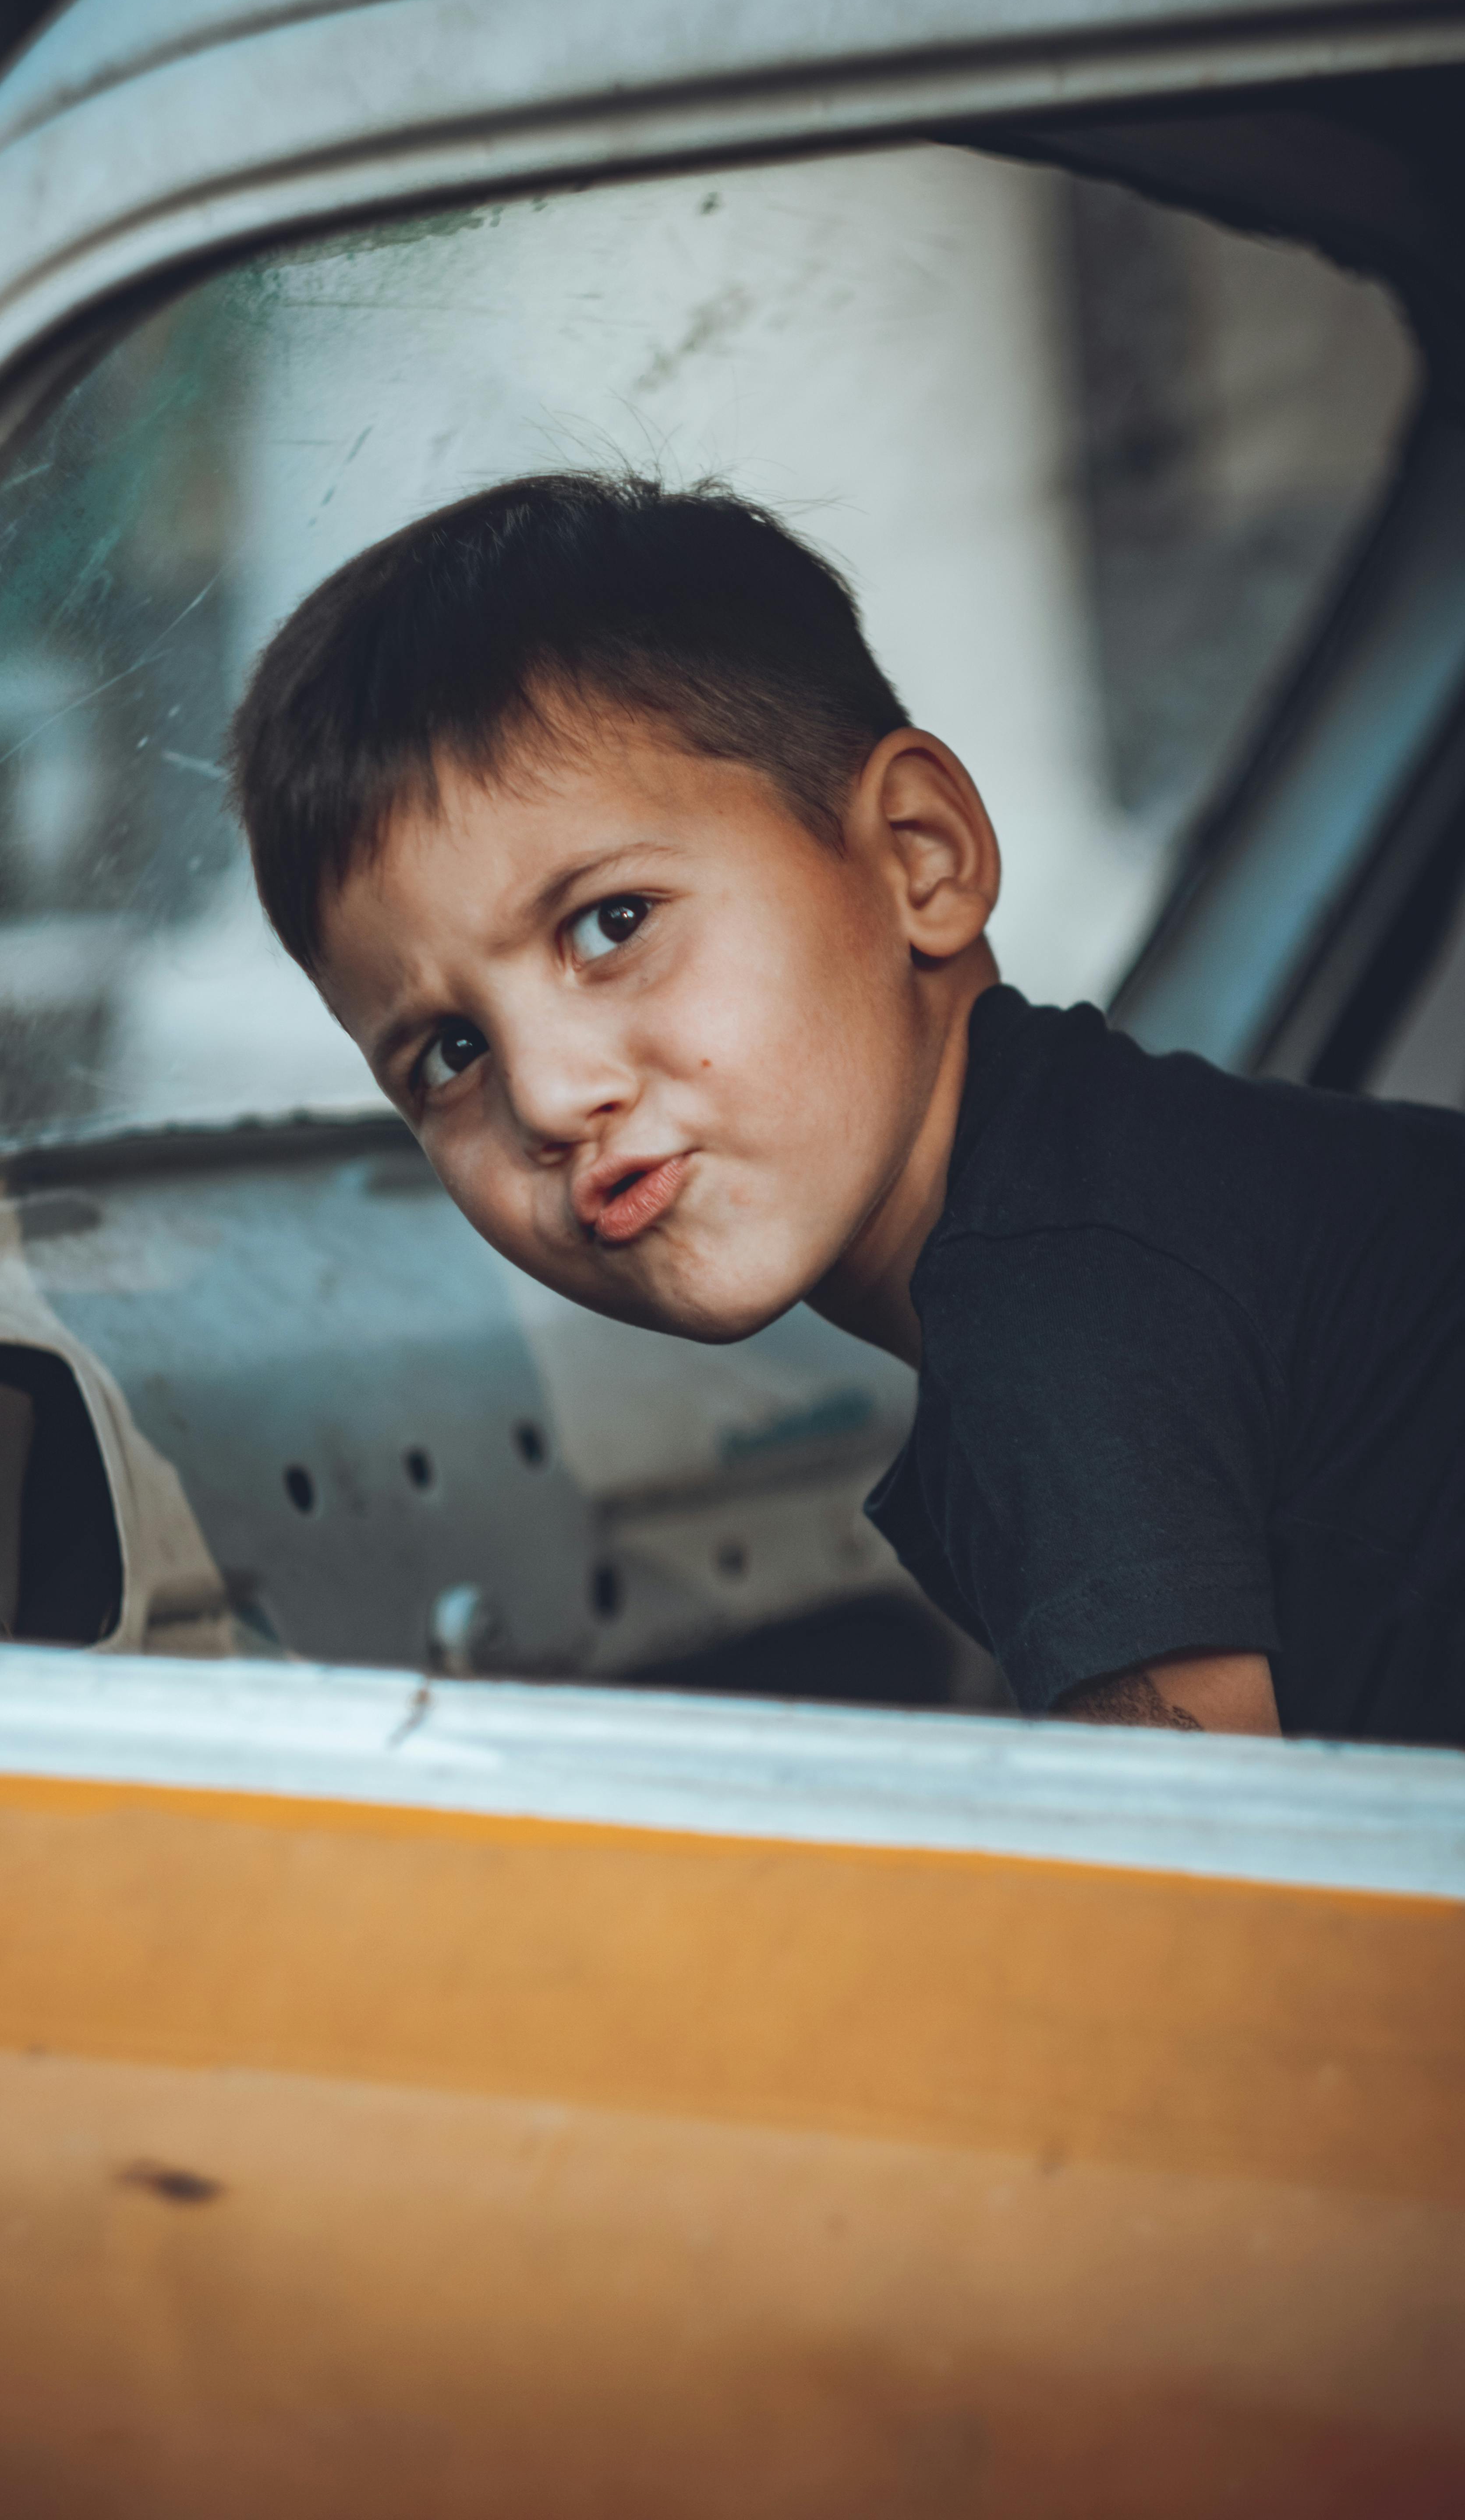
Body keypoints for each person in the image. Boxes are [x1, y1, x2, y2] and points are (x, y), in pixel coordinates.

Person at [230, 471, 1465, 1743]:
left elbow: (1194, 1914)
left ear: (918, 855)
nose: (549, 1096)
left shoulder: (1056, 1323)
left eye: (612, 925)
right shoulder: (1132, 1185)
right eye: (447, 1054)